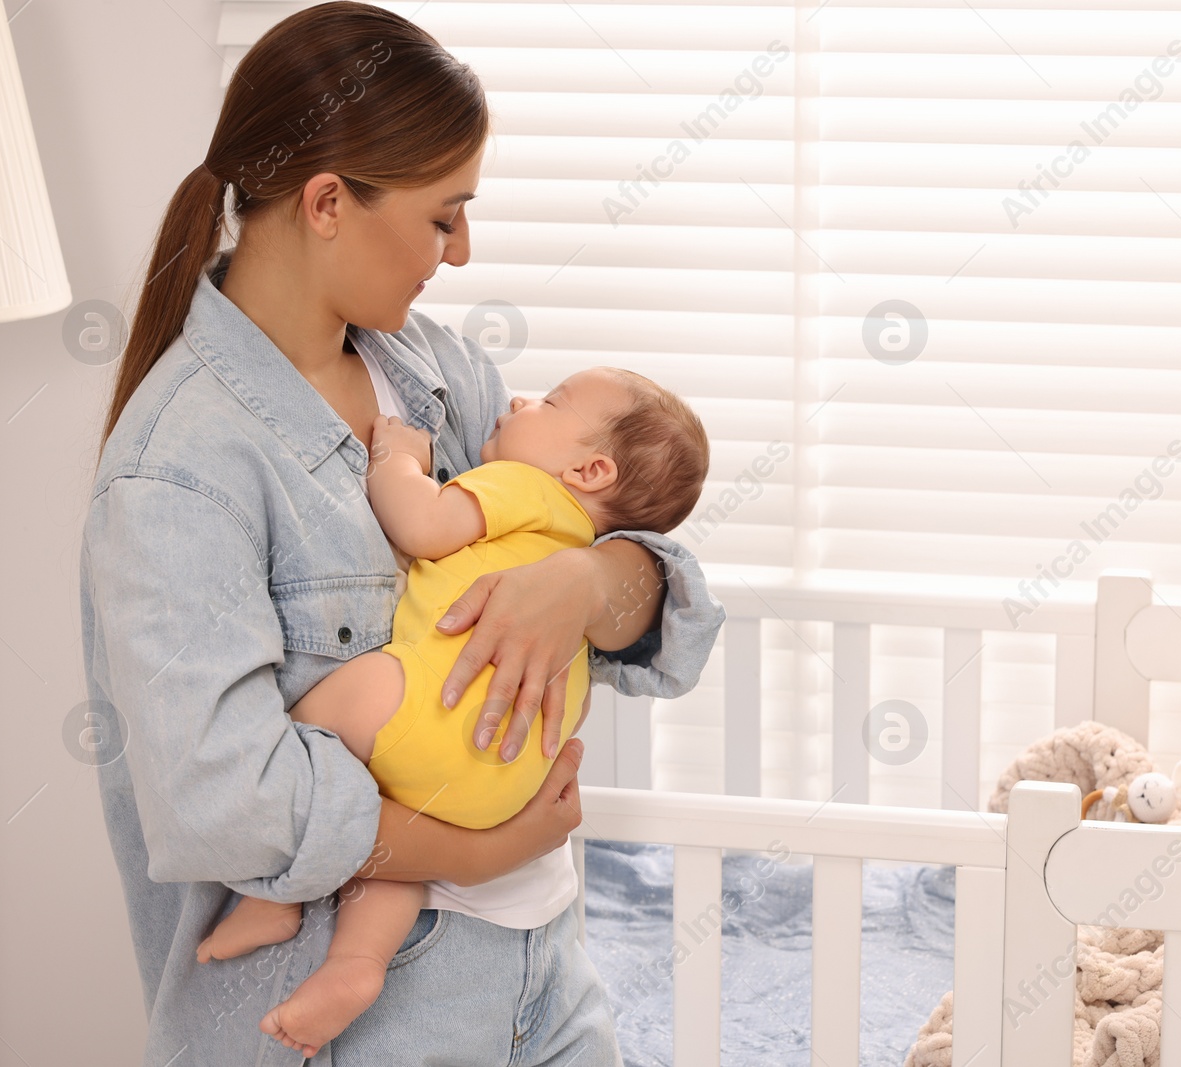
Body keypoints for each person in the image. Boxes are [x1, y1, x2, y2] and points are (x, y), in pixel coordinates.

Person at [77, 5, 724, 1064]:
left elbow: (664, 605)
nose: (461, 251)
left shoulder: (434, 373)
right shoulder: (181, 471)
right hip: (345, 1027)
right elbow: (227, 804)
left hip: (539, 978)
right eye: (443, 216)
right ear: (328, 202)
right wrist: (476, 848)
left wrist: (586, 578)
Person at [195, 367, 710, 1056]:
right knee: (401, 853)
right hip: (506, 780)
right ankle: (358, 964)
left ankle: (279, 892)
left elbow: (422, 521)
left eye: (550, 401)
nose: (521, 400)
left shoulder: (527, 488)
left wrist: (398, 458)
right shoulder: (575, 543)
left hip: (425, 713)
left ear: (587, 469)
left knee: (308, 713)